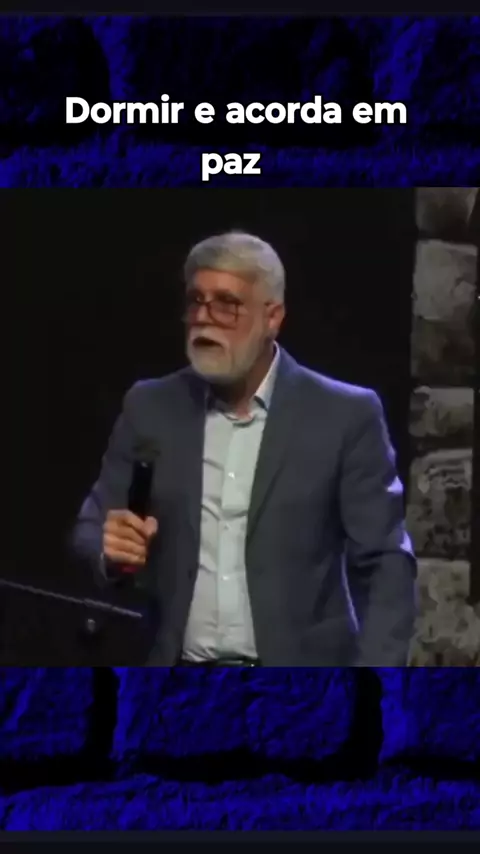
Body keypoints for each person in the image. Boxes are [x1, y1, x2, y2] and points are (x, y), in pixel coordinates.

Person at [71, 230, 417, 667]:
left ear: (272, 317)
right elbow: (91, 528)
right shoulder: (150, 407)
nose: (204, 318)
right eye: (195, 301)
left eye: (226, 303)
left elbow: (386, 563)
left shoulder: (345, 416)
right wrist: (110, 552)